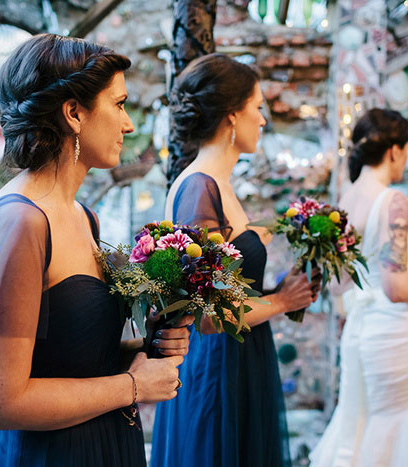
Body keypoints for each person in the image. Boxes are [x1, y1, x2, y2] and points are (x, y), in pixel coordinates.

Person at [0, 34, 192, 466]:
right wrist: (133, 387)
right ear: (74, 113)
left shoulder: (81, 214)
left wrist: (144, 349)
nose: (128, 125)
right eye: (120, 104)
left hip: (101, 441)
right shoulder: (20, 223)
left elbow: (62, 354)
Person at [150, 53, 317, 467]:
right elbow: (209, 314)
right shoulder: (199, 189)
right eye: (257, 108)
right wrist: (281, 303)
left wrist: (280, 287)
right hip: (218, 368)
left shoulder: (216, 184)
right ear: (231, 116)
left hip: (240, 359)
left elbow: (228, 285)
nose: (262, 120)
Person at [309, 109, 408, 466]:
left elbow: (338, 285)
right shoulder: (393, 201)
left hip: (363, 331)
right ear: (393, 150)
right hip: (396, 332)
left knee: (367, 420)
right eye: (406, 150)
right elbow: (396, 288)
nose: (405, 159)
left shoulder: (343, 202)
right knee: (400, 421)